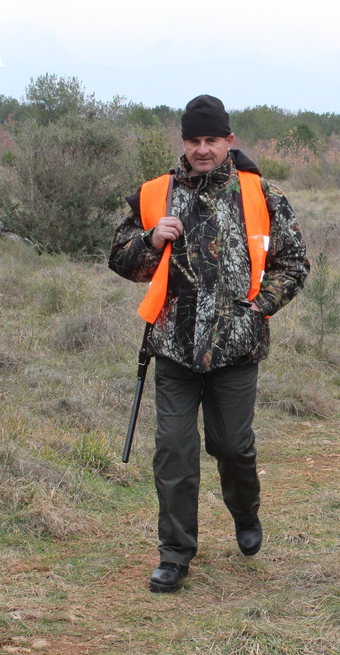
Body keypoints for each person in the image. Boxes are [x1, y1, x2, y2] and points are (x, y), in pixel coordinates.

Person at [108, 95, 310, 593]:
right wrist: (151, 240)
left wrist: (260, 309)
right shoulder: (155, 194)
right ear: (184, 142)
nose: (202, 149)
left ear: (229, 142)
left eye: (212, 140)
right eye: (194, 140)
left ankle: (245, 510)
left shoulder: (261, 192)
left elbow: (295, 262)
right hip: (173, 349)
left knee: (232, 446)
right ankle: (175, 554)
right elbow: (120, 258)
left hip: (236, 351)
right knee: (174, 452)